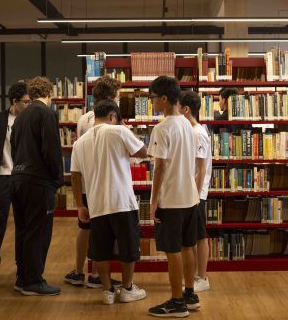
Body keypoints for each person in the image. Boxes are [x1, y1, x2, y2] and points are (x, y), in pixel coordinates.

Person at [72, 100, 148, 305]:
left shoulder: (80, 142)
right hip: (122, 201)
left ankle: (107, 291)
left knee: (101, 249)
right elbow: (143, 152)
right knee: (128, 247)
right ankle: (128, 288)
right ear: (113, 116)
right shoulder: (118, 132)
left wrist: (80, 205)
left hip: (96, 204)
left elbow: (75, 176)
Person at [147, 76, 201, 318]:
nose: (152, 103)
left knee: (173, 251)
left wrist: (153, 201)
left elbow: (159, 168)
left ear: (165, 99)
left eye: (153, 98)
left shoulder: (162, 128)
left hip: (171, 199)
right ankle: (190, 294)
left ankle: (177, 302)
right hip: (190, 197)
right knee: (188, 246)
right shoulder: (188, 126)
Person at [65, 75, 122, 289]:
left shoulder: (82, 119)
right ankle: (97, 274)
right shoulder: (111, 119)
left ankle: (79, 271)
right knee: (102, 232)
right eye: (116, 96)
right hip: (105, 184)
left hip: (87, 182)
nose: (118, 100)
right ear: (108, 98)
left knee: (85, 228)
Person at [10, 76, 63, 296]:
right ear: (49, 94)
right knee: (38, 232)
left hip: (18, 178)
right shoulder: (47, 113)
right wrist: (57, 179)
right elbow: (51, 150)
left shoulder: (21, 117)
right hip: (38, 182)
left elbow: (13, 147)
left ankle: (22, 277)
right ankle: (34, 281)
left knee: (23, 230)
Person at [0, 82, 31, 281]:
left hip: (23, 177)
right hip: (2, 176)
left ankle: (22, 266)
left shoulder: (29, 120)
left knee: (23, 224)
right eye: (26, 102)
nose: (29, 105)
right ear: (14, 102)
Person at [179, 91, 212, 293]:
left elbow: (200, 169)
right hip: (191, 191)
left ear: (186, 109)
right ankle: (194, 275)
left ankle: (202, 277)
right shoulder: (192, 131)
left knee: (200, 236)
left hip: (196, 194)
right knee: (193, 235)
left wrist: (196, 196)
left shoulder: (197, 133)